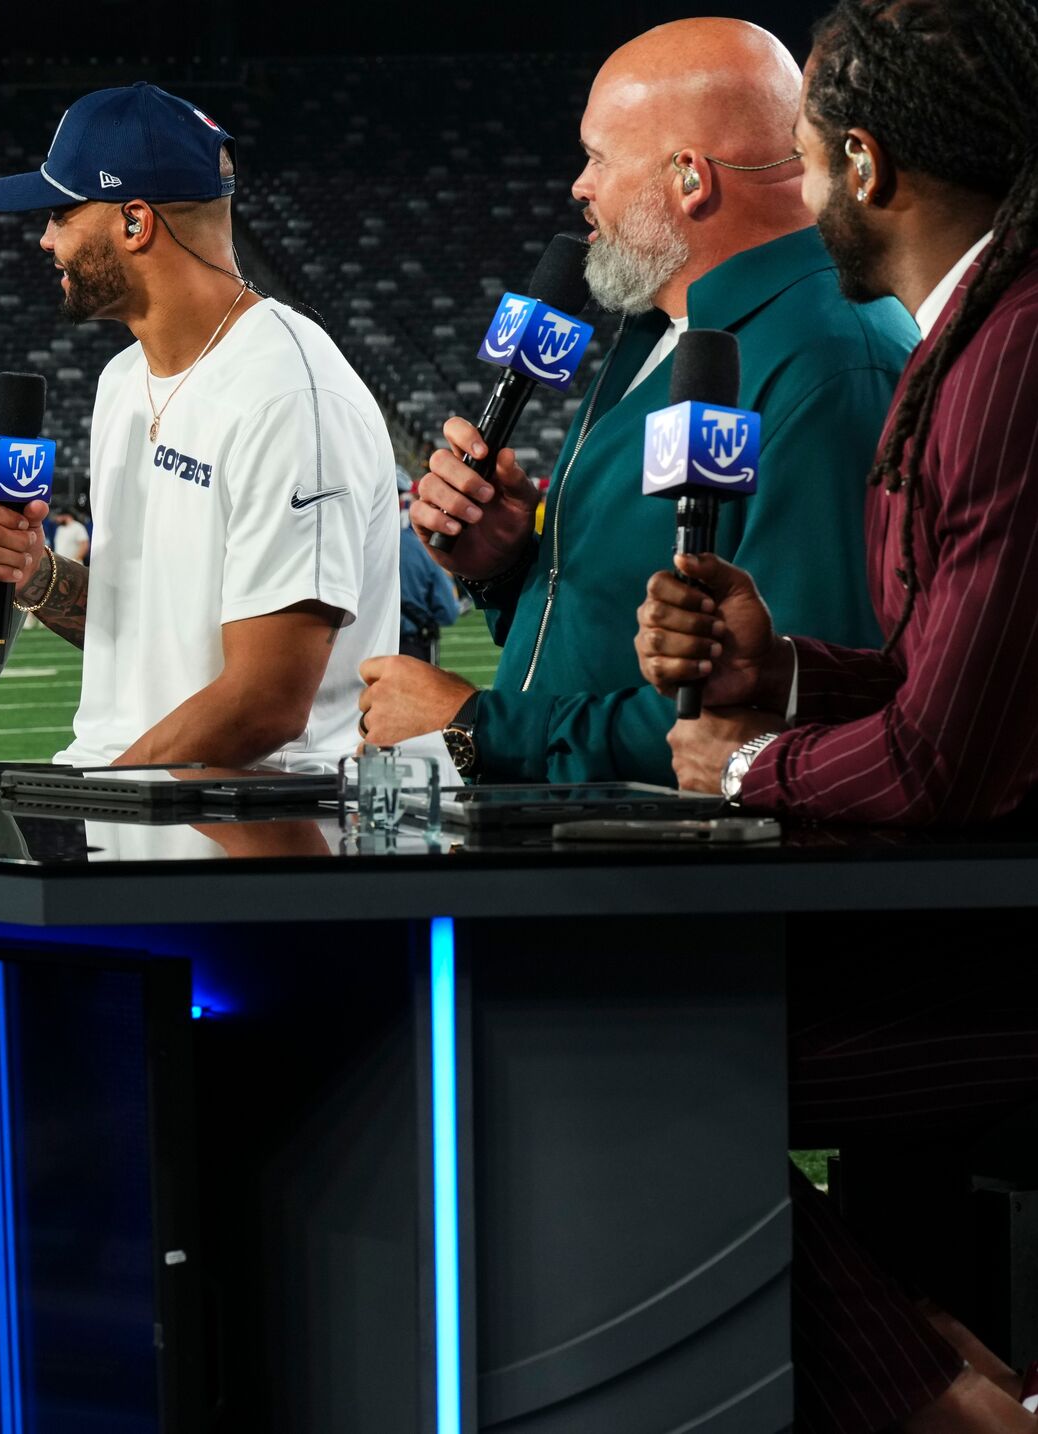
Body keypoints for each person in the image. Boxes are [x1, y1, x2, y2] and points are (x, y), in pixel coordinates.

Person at [633, 3, 1038, 1425]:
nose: (803, 201)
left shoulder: (1012, 352)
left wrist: (744, 763)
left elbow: (942, 758)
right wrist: (785, 671)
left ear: (862, 163)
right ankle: (931, 1358)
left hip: (1012, 961)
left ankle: (945, 1403)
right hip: (988, 929)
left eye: (803, 162)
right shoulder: (980, 331)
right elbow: (957, 684)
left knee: (653, 1063)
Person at [361, 18, 914, 783]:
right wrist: (507, 565)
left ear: (690, 176)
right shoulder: (660, 328)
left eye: (596, 157)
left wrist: (477, 726)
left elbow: (788, 716)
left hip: (686, 881)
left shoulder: (834, 363)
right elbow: (609, 635)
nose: (578, 186)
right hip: (590, 853)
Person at [0, 83, 398, 772]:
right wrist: (38, 577)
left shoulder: (287, 393)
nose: (45, 239)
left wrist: (105, 793)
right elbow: (145, 635)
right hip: (139, 799)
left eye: (61, 212)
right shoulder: (123, 381)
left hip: (253, 823)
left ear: (135, 223)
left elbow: (267, 702)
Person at [397, 474, 461, 664]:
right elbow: (448, 612)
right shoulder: (418, 548)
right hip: (410, 651)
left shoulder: (340, 546)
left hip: (352, 654)